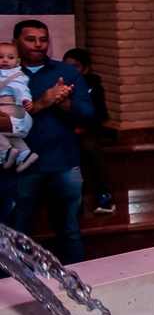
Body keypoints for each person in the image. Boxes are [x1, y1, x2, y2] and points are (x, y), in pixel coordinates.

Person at [11, 20, 94, 264]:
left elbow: (89, 114)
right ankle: (13, 292)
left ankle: (77, 289)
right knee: (17, 235)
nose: (38, 45)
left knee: (69, 231)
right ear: (16, 41)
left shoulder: (67, 73)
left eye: (43, 39)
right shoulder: (6, 76)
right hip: (20, 168)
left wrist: (64, 102)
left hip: (63, 163)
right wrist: (44, 102)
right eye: (30, 39)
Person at [62, 48, 114, 215]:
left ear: (85, 69)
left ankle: (105, 194)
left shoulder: (93, 85)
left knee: (90, 148)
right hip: (64, 129)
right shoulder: (58, 83)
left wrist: (81, 118)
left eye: (75, 66)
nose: (70, 69)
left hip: (86, 129)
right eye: (66, 65)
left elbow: (100, 114)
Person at [0, 42, 36, 171]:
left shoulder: (16, 76)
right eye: (0, 57)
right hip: (8, 107)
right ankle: (25, 153)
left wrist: (25, 100)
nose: (5, 60)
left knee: (3, 129)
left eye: (10, 58)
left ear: (17, 61)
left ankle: (6, 151)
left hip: (10, 106)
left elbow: (21, 90)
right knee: (10, 134)